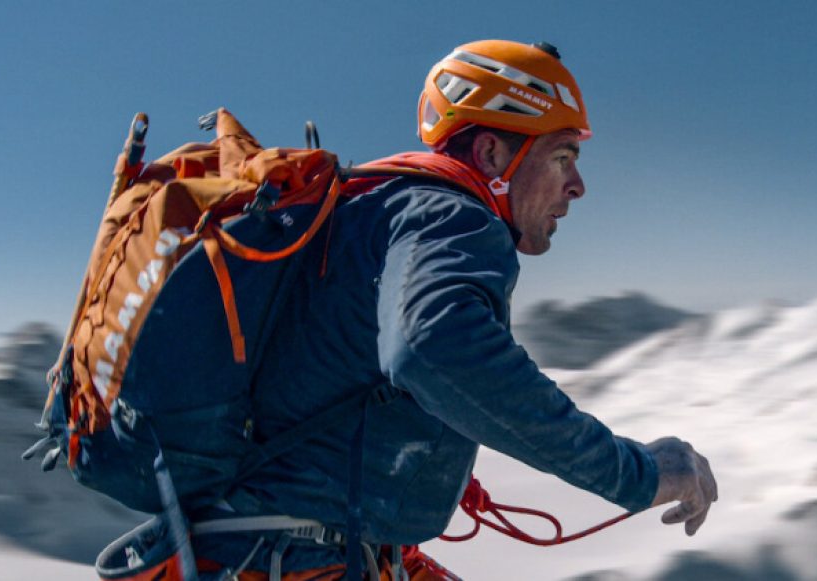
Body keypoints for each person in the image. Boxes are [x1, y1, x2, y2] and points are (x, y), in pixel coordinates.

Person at [190, 39, 718, 580]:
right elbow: (432, 346)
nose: (577, 186)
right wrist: (637, 474)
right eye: (562, 157)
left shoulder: (372, 210)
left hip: (256, 549)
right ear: (492, 155)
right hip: (301, 559)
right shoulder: (453, 217)